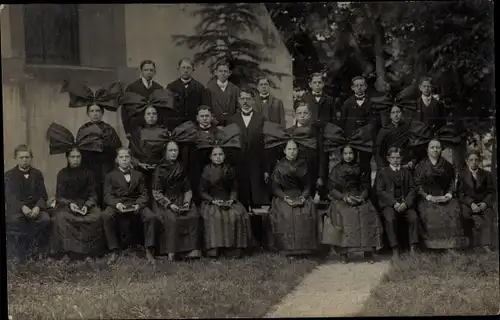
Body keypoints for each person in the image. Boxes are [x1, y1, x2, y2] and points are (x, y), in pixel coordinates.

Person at [321, 123, 383, 263]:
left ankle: (368, 252)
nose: (348, 156)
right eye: (346, 153)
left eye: (351, 153)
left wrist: (362, 197)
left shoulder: (360, 168)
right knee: (345, 214)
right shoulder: (336, 169)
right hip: (342, 199)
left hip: (359, 197)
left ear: (354, 154)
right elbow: (332, 189)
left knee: (367, 211)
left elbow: (366, 185)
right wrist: (344, 197)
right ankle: (344, 253)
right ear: (342, 154)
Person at [46, 122, 106, 257]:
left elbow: (93, 194)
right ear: (67, 158)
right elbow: (59, 196)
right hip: (68, 205)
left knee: (97, 216)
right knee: (61, 219)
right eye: (72, 157)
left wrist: (87, 205)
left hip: (85, 204)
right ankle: (69, 251)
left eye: (78, 157)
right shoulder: (62, 173)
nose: (75, 159)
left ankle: (90, 252)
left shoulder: (88, 173)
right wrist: (70, 204)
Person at [61, 81, 123, 208]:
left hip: (106, 166)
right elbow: (77, 151)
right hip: (88, 166)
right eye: (92, 111)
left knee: (106, 191)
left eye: (98, 111)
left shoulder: (109, 129)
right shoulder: (83, 129)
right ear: (88, 113)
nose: (95, 113)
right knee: (91, 190)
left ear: (102, 113)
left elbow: (117, 149)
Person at [197, 124, 253, 258]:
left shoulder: (230, 169)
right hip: (212, 201)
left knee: (236, 214)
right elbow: (202, 191)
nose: (218, 157)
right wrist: (214, 201)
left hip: (228, 199)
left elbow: (234, 188)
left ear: (224, 156)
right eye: (215, 155)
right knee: (215, 216)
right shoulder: (206, 170)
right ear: (210, 157)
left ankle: (233, 249)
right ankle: (215, 248)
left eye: (220, 154)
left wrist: (232, 200)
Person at [263, 122, 318, 256]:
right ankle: (285, 248)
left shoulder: (303, 164)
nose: (292, 152)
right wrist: (285, 198)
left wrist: (303, 197)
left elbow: (307, 185)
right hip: (283, 196)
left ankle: (304, 248)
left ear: (298, 150)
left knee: (304, 212)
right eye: (289, 149)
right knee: (285, 213)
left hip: (299, 194)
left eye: (294, 149)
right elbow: (275, 187)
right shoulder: (279, 166)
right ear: (284, 151)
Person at [151, 121, 201, 261]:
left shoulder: (181, 167)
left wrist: (186, 202)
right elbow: (156, 192)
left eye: (175, 151)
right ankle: (171, 252)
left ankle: (190, 250)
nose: (173, 153)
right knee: (171, 218)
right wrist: (169, 204)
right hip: (165, 201)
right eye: (170, 151)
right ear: (165, 152)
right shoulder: (159, 170)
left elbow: (187, 188)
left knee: (193, 214)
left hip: (180, 198)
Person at [227, 87, 269, 247]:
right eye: (242, 98)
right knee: (241, 200)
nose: (245, 101)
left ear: (253, 100)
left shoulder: (261, 119)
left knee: (257, 201)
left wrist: (266, 169)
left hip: (256, 165)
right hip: (238, 166)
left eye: (248, 98)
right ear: (238, 101)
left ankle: (259, 240)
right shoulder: (231, 120)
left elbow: (266, 146)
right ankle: (244, 239)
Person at [102, 148, 160, 264]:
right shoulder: (110, 176)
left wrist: (138, 204)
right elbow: (107, 196)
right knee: (106, 216)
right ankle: (114, 250)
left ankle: (149, 250)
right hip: (118, 204)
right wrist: (117, 204)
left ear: (131, 159)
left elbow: (144, 194)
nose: (124, 160)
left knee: (151, 217)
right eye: (121, 157)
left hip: (135, 204)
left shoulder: (139, 175)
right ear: (116, 160)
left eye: (127, 157)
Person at [413, 131, 465, 251]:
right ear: (427, 150)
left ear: (441, 149)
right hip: (427, 197)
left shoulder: (447, 165)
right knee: (431, 212)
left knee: (453, 208)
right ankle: (432, 246)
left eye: (437, 147)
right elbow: (417, 185)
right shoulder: (420, 166)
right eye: (432, 147)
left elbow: (452, 182)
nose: (435, 150)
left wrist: (448, 194)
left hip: (443, 195)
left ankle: (451, 245)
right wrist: (427, 196)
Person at [5, 144, 51, 261]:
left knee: (45, 219)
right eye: (21, 157)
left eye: (27, 157)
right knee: (16, 221)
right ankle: (21, 252)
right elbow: (9, 197)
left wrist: (37, 207)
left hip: (35, 208)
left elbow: (43, 195)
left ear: (31, 158)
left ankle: (36, 250)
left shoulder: (37, 174)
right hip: (17, 209)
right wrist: (22, 207)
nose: (24, 160)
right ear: (16, 158)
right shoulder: (9, 175)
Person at [375, 147, 418, 258]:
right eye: (393, 158)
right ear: (388, 159)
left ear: (401, 158)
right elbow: (380, 191)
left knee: (413, 217)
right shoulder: (383, 172)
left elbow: (413, 189)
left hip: (405, 204)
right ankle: (395, 248)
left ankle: (413, 247)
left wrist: (406, 203)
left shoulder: (406, 172)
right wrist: (394, 203)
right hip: (389, 205)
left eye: (398, 158)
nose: (395, 160)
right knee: (390, 218)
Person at [339, 76, 378, 177]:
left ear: (365, 87)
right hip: (351, 140)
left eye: (361, 85)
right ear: (352, 88)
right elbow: (342, 123)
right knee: (351, 165)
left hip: (366, 141)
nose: (359, 88)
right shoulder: (347, 104)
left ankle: (367, 191)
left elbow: (375, 122)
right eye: (356, 86)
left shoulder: (372, 103)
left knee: (365, 166)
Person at [458, 149, 495, 253]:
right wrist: (471, 203)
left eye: (476, 160)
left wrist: (485, 203)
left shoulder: (486, 174)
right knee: (465, 215)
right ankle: (469, 242)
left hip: (483, 203)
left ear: (479, 161)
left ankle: (486, 244)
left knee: (489, 214)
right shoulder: (462, 175)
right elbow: (460, 193)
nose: (474, 162)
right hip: (468, 204)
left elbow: (491, 192)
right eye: (471, 160)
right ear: (467, 161)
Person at [186, 105, 224, 206]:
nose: (204, 118)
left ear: (212, 117)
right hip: (197, 171)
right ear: (197, 118)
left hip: (215, 172)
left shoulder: (219, 132)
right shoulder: (191, 133)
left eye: (207, 116)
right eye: (202, 116)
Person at [165, 57, 210, 129]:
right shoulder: (171, 87)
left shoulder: (199, 87)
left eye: (188, 68)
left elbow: (204, 107)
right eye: (183, 68)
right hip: (176, 125)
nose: (186, 70)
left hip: (194, 125)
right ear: (178, 69)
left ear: (193, 70)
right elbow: (167, 109)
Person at [122, 60, 164, 136]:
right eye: (146, 70)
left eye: (151, 70)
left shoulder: (159, 89)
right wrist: (127, 130)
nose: (149, 72)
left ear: (155, 72)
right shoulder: (132, 88)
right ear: (141, 71)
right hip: (136, 128)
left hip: (155, 129)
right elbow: (125, 110)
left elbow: (162, 111)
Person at [375, 104, 422, 170]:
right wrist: (384, 167)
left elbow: (415, 147)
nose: (396, 115)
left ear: (401, 113)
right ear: (390, 115)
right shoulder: (384, 131)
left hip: (405, 164)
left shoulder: (408, 128)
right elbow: (378, 151)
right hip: (389, 165)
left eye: (398, 112)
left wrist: (412, 162)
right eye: (393, 112)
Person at [205, 61, 240, 126]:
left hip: (232, 124)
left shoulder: (235, 89)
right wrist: (215, 123)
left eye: (225, 71)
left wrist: (233, 121)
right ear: (216, 72)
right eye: (220, 71)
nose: (223, 73)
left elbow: (239, 108)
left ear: (229, 73)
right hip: (214, 125)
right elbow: (207, 108)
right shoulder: (209, 89)